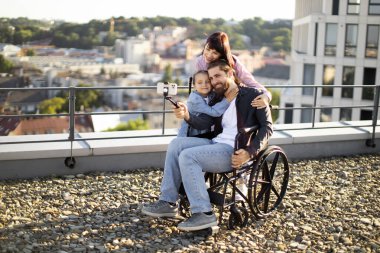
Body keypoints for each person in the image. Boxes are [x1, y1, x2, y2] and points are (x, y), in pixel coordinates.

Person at [141, 59, 273, 231]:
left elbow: (268, 128)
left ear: (231, 73)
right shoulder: (218, 98)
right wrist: (187, 115)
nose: (214, 81)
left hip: (233, 149)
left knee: (188, 157)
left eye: (218, 75)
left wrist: (249, 152)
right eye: (211, 77)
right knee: (176, 144)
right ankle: (168, 202)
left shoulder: (253, 95)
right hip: (215, 142)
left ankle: (204, 214)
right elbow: (204, 123)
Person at [194, 31, 272, 109]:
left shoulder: (233, 62)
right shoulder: (200, 62)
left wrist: (267, 96)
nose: (209, 55)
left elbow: (251, 83)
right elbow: (202, 88)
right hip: (214, 104)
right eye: (207, 49)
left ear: (222, 55)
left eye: (215, 53)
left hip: (236, 102)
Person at [177, 70, 235, 137]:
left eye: (207, 82)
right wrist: (227, 100)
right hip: (191, 133)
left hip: (204, 132)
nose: (204, 85)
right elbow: (214, 112)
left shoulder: (210, 94)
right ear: (194, 85)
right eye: (199, 83)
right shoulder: (195, 100)